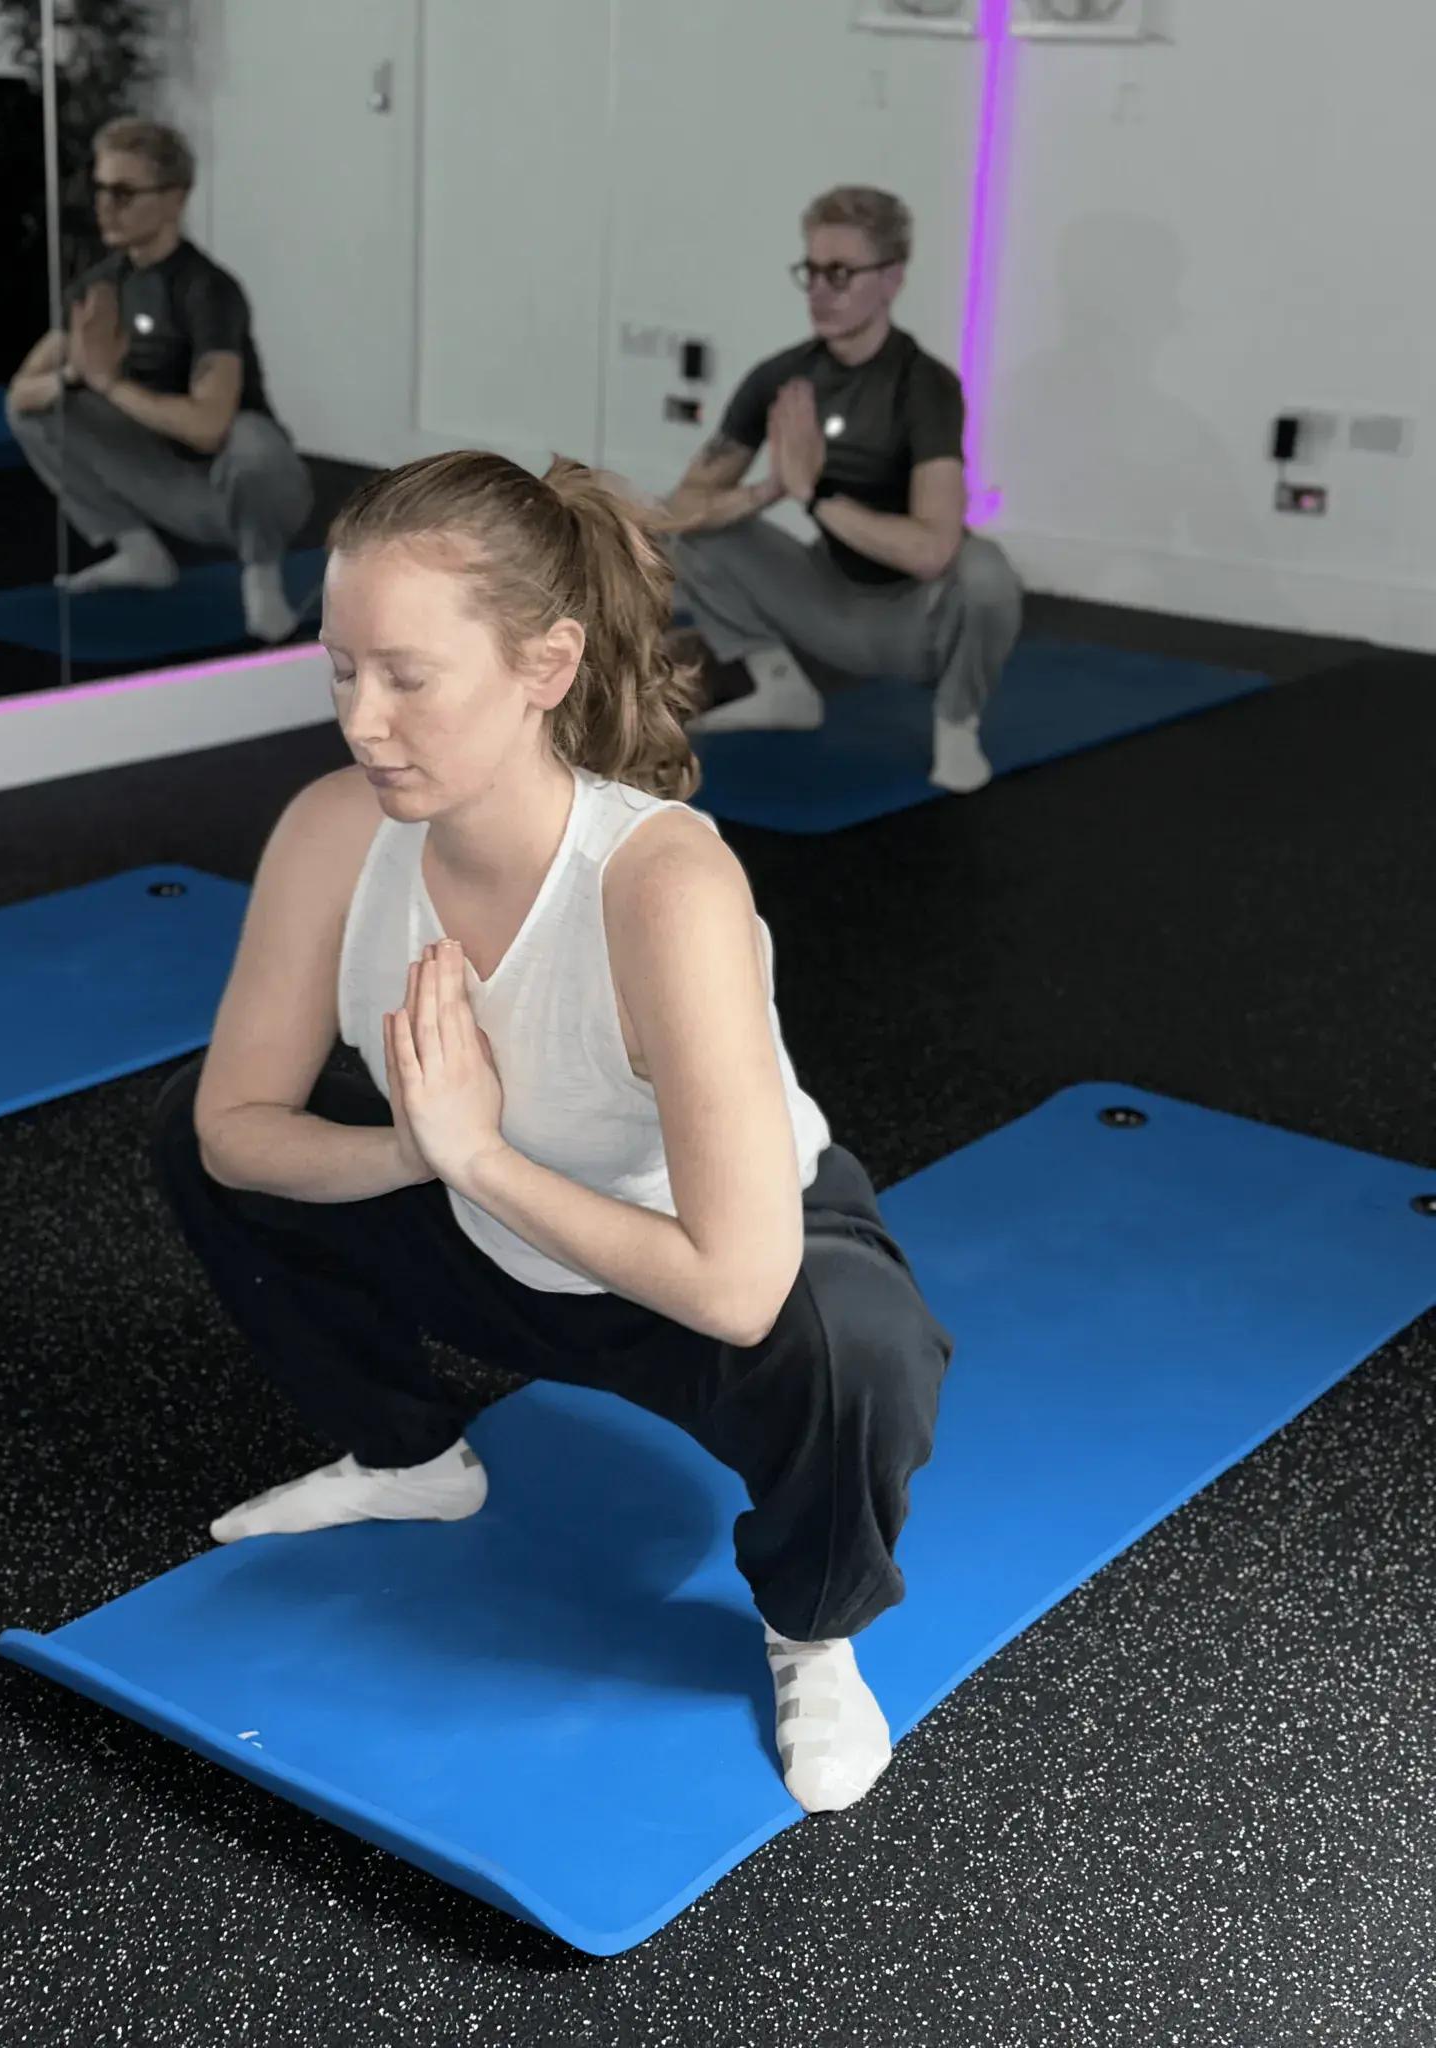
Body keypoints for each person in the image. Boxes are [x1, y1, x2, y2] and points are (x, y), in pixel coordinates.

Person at [149, 450, 953, 1815]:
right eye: (341, 670)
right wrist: (414, 1154)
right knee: (188, 1129)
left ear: (546, 665)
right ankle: (409, 1459)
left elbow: (736, 1284)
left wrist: (476, 1157)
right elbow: (233, 1129)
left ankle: (813, 1630)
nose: (363, 719)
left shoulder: (660, 882)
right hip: (479, 1214)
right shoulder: (335, 831)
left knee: (857, 1353)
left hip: (687, 1260)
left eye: (408, 677)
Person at [667, 186, 1023, 794]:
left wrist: (815, 494)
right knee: (694, 534)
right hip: (826, 603)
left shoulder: (925, 387)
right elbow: (681, 508)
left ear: (891, 280)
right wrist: (770, 489)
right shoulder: (782, 378)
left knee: (987, 574)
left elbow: (934, 550)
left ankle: (956, 724)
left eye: (840, 274)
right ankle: (780, 686)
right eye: (811, 272)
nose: (819, 291)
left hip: (916, 622)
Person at [6, 119, 312, 645]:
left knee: (251, 441)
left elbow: (209, 429)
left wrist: (108, 384)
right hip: (162, 482)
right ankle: (139, 553)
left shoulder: (208, 290)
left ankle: (262, 576)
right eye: (101, 190)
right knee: (35, 409)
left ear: (174, 199)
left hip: (242, 492)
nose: (106, 207)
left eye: (124, 193)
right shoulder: (99, 288)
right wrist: (75, 373)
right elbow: (20, 392)